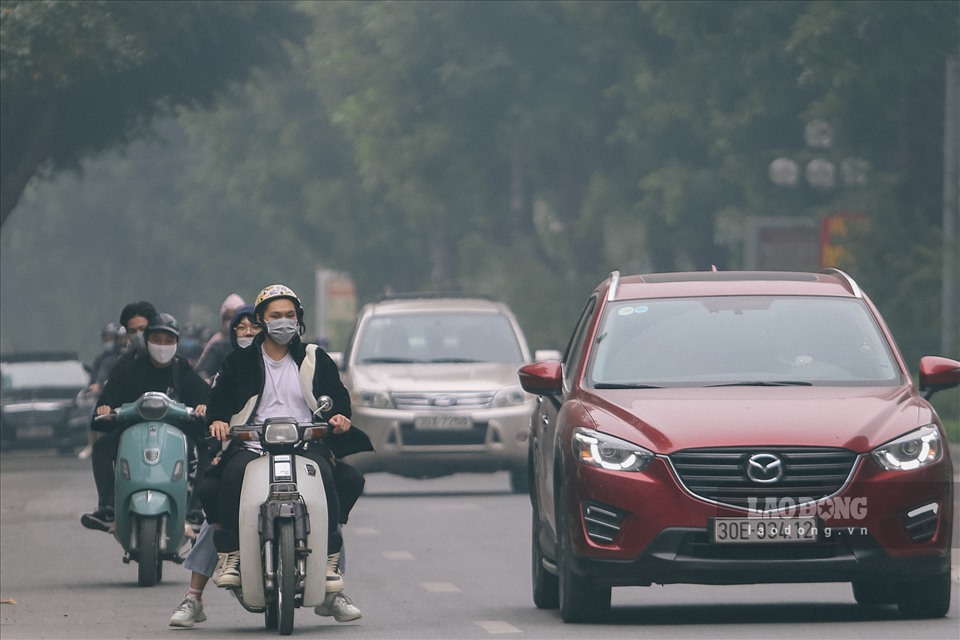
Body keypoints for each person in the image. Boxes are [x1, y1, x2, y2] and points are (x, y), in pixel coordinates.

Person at [205, 284, 372, 623]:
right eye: (276, 315)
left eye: (290, 315)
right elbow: (218, 402)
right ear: (261, 320)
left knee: (335, 479)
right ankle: (231, 555)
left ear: (299, 319)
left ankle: (329, 562)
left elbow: (338, 397)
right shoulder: (239, 361)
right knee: (225, 479)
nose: (284, 322)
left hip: (306, 443)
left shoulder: (314, 358)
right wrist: (219, 421)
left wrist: (340, 417)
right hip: (252, 444)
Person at [169, 305, 261, 628]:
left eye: (254, 326)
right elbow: (215, 408)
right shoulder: (231, 368)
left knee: (323, 497)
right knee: (215, 503)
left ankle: (331, 581)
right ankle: (193, 596)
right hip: (243, 449)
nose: (249, 333)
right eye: (241, 328)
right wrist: (217, 424)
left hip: (291, 449)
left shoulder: (298, 363)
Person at [80, 313, 210, 531]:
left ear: (177, 343)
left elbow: (206, 399)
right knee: (101, 447)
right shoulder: (127, 369)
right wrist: (105, 410)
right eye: (157, 339)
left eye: (169, 340)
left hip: (178, 434)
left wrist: (203, 407)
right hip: (131, 434)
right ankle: (107, 507)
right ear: (147, 341)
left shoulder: (182, 369)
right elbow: (102, 410)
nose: (162, 346)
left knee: (207, 448)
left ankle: (196, 509)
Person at [194, 293, 246, 383]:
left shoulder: (257, 342)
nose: (231, 321)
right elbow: (203, 369)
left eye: (235, 317)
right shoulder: (218, 344)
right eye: (228, 318)